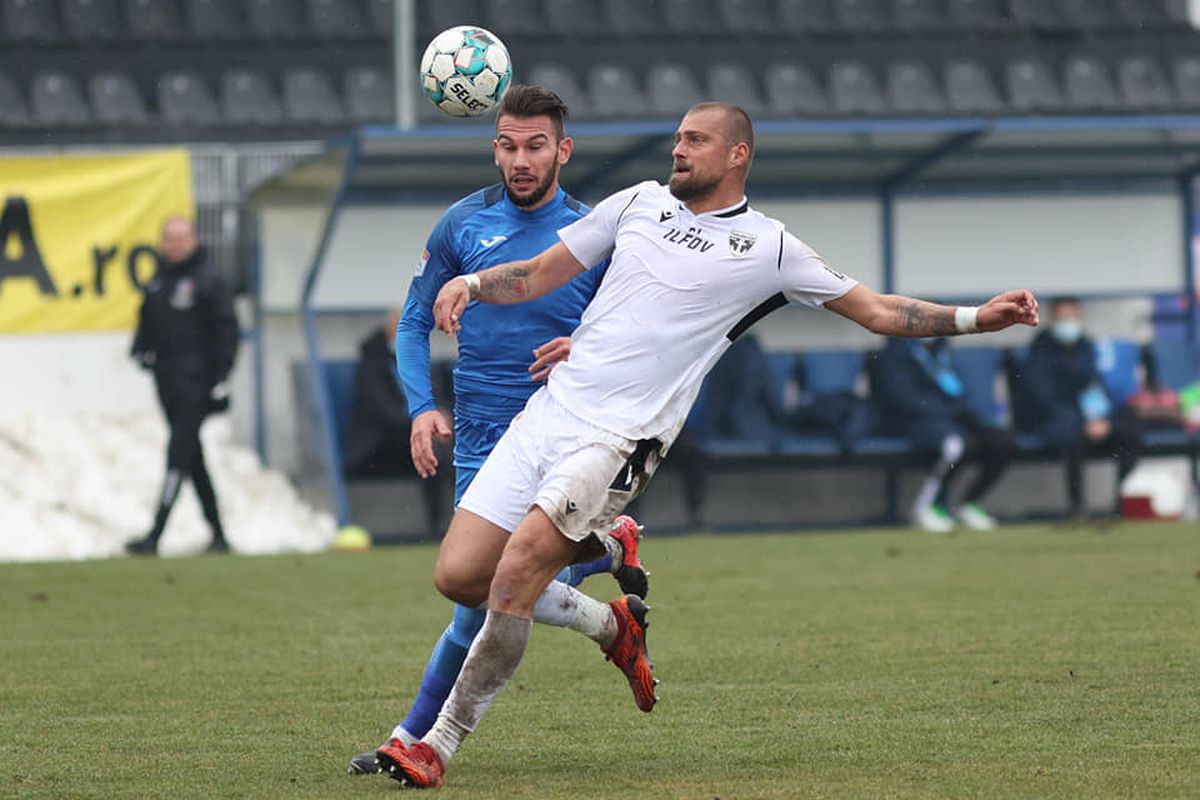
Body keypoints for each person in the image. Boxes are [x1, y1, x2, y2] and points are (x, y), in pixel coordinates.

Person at [372, 101, 1040, 788]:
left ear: (737, 155)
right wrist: (473, 282)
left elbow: (878, 310)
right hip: (548, 413)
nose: (679, 150)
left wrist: (974, 318)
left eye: (695, 140)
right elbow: (539, 273)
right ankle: (608, 569)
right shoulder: (636, 203)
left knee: (513, 577)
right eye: (678, 138)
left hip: (618, 438)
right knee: (458, 577)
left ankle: (438, 743)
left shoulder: (770, 247)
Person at [348, 86, 648, 775]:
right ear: (494, 147)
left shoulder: (590, 235)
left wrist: (583, 345)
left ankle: (409, 738)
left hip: (566, 429)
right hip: (483, 437)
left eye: (535, 145)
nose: (521, 159)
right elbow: (413, 320)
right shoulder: (461, 225)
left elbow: (634, 332)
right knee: (475, 589)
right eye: (508, 145)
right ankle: (605, 565)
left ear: (562, 150)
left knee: (482, 596)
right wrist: (423, 404)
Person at [126, 216, 239, 555]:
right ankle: (218, 535)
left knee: (178, 454)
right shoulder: (158, 281)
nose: (174, 244)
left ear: (193, 240)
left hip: (197, 386)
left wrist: (220, 378)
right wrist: (140, 350)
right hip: (167, 386)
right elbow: (147, 324)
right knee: (192, 457)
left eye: (180, 238)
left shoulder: (209, 280)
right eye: (169, 238)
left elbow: (227, 331)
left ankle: (155, 534)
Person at [1017, 296, 1141, 518]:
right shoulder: (1040, 350)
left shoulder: (1085, 347)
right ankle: (1077, 507)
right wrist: (1083, 421)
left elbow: (1094, 386)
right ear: (1051, 321)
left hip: (1087, 420)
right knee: (1071, 434)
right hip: (1054, 421)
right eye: (1062, 318)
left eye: (1071, 317)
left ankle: (1119, 501)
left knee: (1128, 426)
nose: (1068, 323)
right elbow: (1043, 398)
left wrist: (1100, 419)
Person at [874, 337, 1015, 532]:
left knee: (1001, 441)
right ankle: (924, 507)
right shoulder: (893, 355)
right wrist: (949, 412)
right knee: (954, 445)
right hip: (914, 423)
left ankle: (969, 503)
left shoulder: (942, 353)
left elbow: (955, 392)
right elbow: (901, 398)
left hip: (951, 419)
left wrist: (969, 417)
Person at [341, 307, 452, 535]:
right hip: (378, 444)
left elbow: (436, 396)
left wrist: (440, 418)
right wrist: (420, 424)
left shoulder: (419, 358)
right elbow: (383, 411)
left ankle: (468, 518)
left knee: (455, 442)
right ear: (394, 328)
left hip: (413, 435)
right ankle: (440, 524)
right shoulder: (373, 362)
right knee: (431, 447)